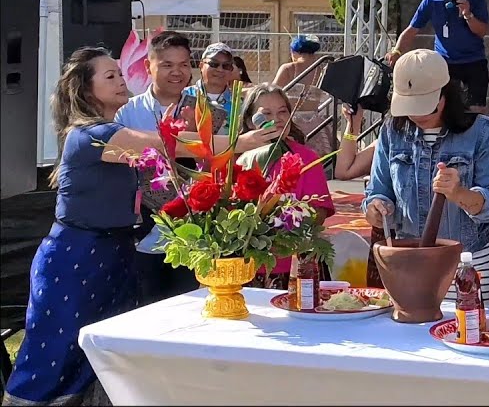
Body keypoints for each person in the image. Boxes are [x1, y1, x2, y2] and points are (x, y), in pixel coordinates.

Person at [3, 48, 281, 406]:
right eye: (110, 77)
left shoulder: (115, 130)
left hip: (113, 255)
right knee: (54, 354)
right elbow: (170, 146)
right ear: (86, 90)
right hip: (76, 258)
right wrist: (239, 142)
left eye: (120, 74)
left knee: (104, 353)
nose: (121, 80)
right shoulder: (92, 136)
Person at [362, 49, 489, 304]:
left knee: (469, 329)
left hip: (469, 259)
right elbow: (378, 191)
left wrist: (459, 194)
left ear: (446, 95)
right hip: (410, 258)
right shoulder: (392, 131)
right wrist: (376, 208)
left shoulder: (483, 131)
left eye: (426, 105)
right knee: (414, 332)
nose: (417, 115)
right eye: (409, 106)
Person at [114, 30, 200, 305]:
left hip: (190, 231)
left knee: (189, 308)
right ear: (148, 66)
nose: (177, 73)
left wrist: (196, 132)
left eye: (184, 65)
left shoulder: (202, 109)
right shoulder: (127, 111)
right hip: (143, 229)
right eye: (167, 65)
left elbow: (214, 165)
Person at [236, 84, 335, 289]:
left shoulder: (307, 158)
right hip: (250, 266)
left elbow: (319, 213)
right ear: (249, 121)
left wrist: (288, 223)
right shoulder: (240, 160)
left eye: (283, 112)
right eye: (266, 114)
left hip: (296, 265)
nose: (278, 119)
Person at [387, 0, 489, 112]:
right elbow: (411, 30)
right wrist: (397, 51)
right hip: (445, 62)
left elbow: (481, 32)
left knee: (476, 109)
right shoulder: (430, 1)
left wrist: (468, 15)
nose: (444, 0)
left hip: (473, 60)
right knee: (443, 108)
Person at [273, 33, 335, 159]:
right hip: (314, 121)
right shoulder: (323, 70)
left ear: (294, 51)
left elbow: (273, 91)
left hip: (292, 122)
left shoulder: (288, 68)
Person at [183, 43, 240, 135]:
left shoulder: (239, 104)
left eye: (226, 66)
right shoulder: (183, 96)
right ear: (201, 66)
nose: (220, 70)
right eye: (214, 64)